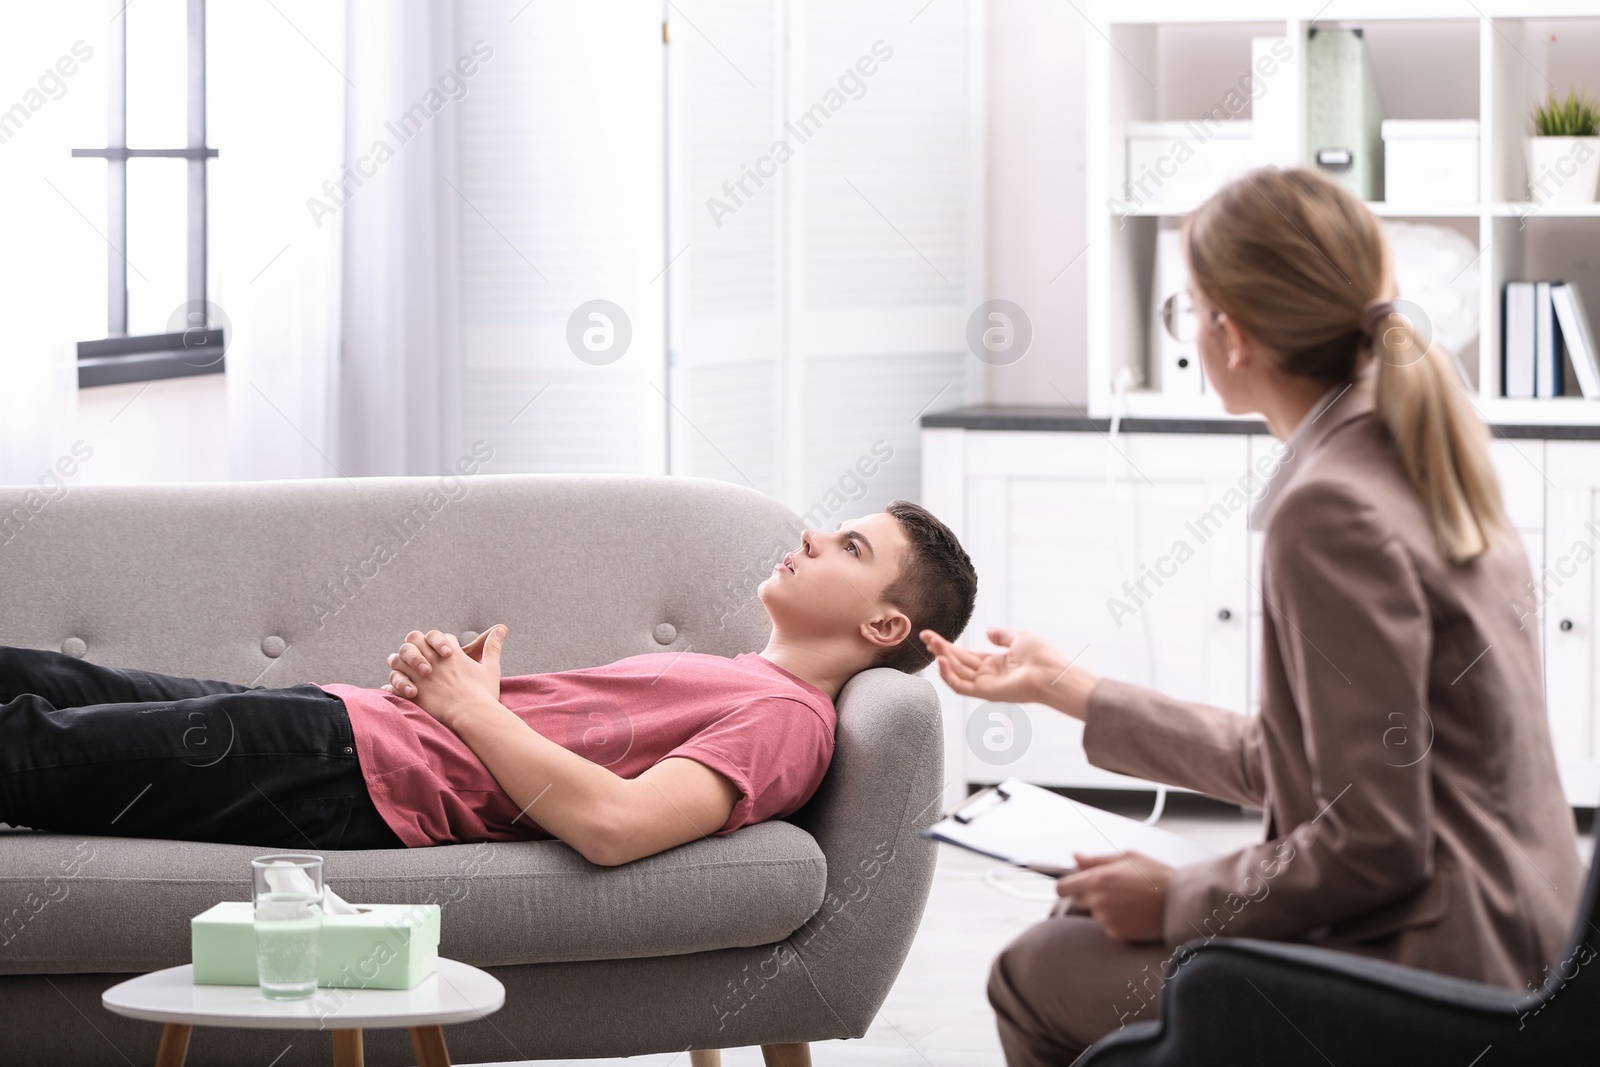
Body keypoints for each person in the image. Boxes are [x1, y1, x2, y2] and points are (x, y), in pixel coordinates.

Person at [921, 166, 1586, 1065]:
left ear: (1230, 331)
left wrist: (1180, 895)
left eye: (1189, 308)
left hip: (1443, 962)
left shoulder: (1330, 510)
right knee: (1079, 921)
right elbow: (1309, 760)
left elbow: (1374, 842)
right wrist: (1062, 685)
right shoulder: (1405, 448)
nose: (1192, 328)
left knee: (1034, 969)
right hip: (1518, 926)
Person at [1, 500, 976, 862]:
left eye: (850, 544)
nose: (810, 534)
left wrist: (466, 710)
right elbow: (578, 756)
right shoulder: (733, 673)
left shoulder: (789, 722)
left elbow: (616, 826)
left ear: (884, 623)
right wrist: (479, 696)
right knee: (46, 676)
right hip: (350, 723)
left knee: (36, 750)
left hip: (351, 774)